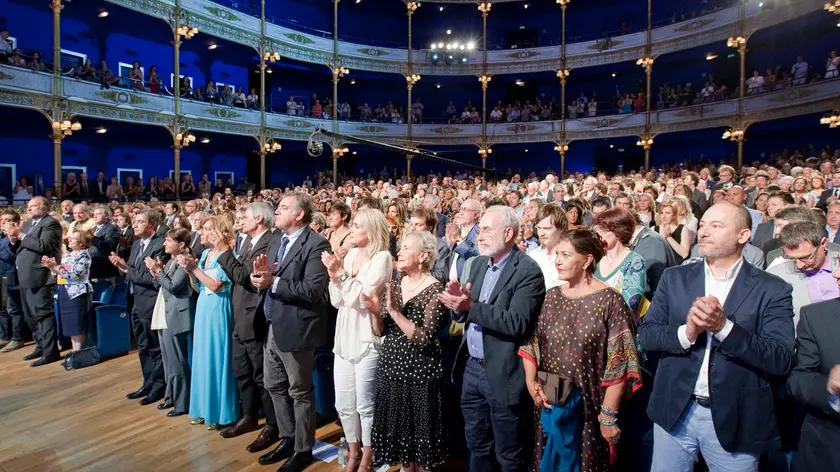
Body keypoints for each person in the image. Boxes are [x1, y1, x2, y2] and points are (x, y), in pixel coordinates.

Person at [640, 202, 796, 472]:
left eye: (716, 225)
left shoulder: (773, 288)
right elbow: (648, 334)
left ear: (743, 236)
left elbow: (780, 358)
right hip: (674, 411)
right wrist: (687, 333)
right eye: (702, 225)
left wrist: (724, 328)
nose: (704, 231)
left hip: (737, 416)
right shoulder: (674, 278)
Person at [520, 229, 642, 472]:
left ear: (587, 260)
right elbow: (533, 344)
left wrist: (607, 417)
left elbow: (620, 362)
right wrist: (531, 382)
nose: (558, 261)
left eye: (565, 254)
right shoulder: (552, 296)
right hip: (551, 406)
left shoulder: (611, 302)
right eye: (557, 254)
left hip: (589, 410)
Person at [438, 205, 546, 472]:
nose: (479, 236)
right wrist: (458, 308)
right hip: (472, 369)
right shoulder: (476, 264)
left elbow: (517, 323)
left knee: (509, 453)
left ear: (508, 233)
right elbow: (464, 316)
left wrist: (469, 308)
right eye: (480, 230)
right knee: (476, 445)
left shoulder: (527, 271)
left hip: (504, 372)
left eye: (487, 230)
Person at [250, 192, 331, 472]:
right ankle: (287, 437)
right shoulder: (276, 239)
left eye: (283, 207)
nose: (277, 211)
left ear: (299, 214)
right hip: (271, 323)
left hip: (297, 327)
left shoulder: (318, 244)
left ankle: (303, 447)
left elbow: (312, 290)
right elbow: (267, 275)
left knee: (299, 391)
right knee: (273, 385)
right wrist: (258, 277)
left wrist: (273, 282)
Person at [367, 231, 449, 471]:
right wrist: (375, 311)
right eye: (399, 248)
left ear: (423, 255)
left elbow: (425, 338)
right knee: (404, 453)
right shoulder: (394, 284)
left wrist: (394, 312)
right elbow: (381, 331)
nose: (399, 252)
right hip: (391, 372)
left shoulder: (436, 290)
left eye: (405, 248)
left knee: (422, 455)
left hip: (420, 377)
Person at [322, 207, 393, 472]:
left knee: (365, 403)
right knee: (344, 402)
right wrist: (335, 277)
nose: (351, 229)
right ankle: (352, 450)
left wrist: (341, 277)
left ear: (372, 231)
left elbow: (363, 300)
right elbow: (337, 299)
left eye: (357, 226)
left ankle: (367, 454)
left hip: (366, 336)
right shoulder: (350, 255)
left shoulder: (383, 258)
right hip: (344, 334)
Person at [214, 202, 280, 453]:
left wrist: (223, 252)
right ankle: (249, 415)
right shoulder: (249, 241)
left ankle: (272, 425)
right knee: (241, 369)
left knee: (261, 375)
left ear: (260, 220)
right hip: (240, 314)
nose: (241, 218)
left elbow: (244, 277)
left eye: (246, 215)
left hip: (255, 317)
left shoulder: (268, 241)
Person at [177, 215, 238, 429]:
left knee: (217, 357)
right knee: (202, 356)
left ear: (221, 232)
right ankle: (203, 407)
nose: (202, 232)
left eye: (208, 228)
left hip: (219, 309)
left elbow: (216, 286)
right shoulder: (204, 254)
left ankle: (220, 410)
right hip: (204, 307)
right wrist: (190, 273)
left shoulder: (228, 255)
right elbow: (200, 287)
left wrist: (194, 269)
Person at [108, 209, 167, 403]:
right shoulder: (136, 244)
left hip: (151, 302)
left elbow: (154, 278)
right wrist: (124, 267)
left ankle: (159, 386)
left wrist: (126, 269)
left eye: (139, 222)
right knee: (142, 346)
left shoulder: (160, 245)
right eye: (134, 221)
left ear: (151, 225)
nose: (134, 225)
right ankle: (148, 382)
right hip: (135, 301)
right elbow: (133, 272)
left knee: (154, 347)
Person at [786, 264, 840, 472]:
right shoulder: (815, 316)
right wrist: (830, 387)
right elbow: (798, 379)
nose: (836, 274)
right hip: (828, 451)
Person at [1, 197, 63, 367]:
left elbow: (44, 245)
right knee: (30, 316)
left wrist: (19, 235)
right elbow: (20, 247)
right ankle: (40, 345)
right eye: (27, 207)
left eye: (32, 206)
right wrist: (13, 239)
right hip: (25, 275)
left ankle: (51, 352)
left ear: (44, 207)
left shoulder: (51, 223)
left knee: (43, 314)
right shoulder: (28, 224)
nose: (28, 209)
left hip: (41, 274)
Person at [146, 228, 195, 418]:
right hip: (165, 312)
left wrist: (158, 272)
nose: (164, 244)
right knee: (168, 361)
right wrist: (155, 272)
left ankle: (182, 402)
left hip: (177, 314)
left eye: (168, 241)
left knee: (178, 363)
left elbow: (174, 286)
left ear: (181, 244)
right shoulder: (170, 261)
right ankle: (171, 396)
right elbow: (161, 284)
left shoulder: (184, 260)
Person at [766, 221, 840, 330]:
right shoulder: (776, 275)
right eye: (793, 258)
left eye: (806, 257)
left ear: (823, 243)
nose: (800, 265)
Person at [41, 228, 93, 353]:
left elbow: (75, 275)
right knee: (69, 325)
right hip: (64, 292)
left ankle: (79, 352)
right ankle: (75, 351)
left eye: (73, 238)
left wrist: (56, 268)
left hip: (78, 293)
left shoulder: (84, 255)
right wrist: (52, 267)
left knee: (77, 324)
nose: (69, 239)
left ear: (81, 243)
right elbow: (60, 274)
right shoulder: (67, 255)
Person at [594, 208, 647, 314]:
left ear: (619, 233)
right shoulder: (596, 257)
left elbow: (631, 303)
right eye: (598, 229)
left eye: (603, 231)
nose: (598, 234)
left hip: (620, 324)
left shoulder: (634, 261)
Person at [528, 203, 569, 290]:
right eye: (539, 228)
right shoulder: (533, 256)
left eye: (547, 229)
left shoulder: (570, 258)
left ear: (561, 228)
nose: (541, 234)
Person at [0, 209, 24, 353]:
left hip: (11, 277)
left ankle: (17, 337)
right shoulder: (2, 236)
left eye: (7, 220)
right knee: (2, 309)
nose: (3, 222)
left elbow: (11, 256)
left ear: (15, 222)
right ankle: (4, 336)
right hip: (1, 275)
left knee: (13, 309)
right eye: (2, 219)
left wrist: (11, 239)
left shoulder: (16, 238)